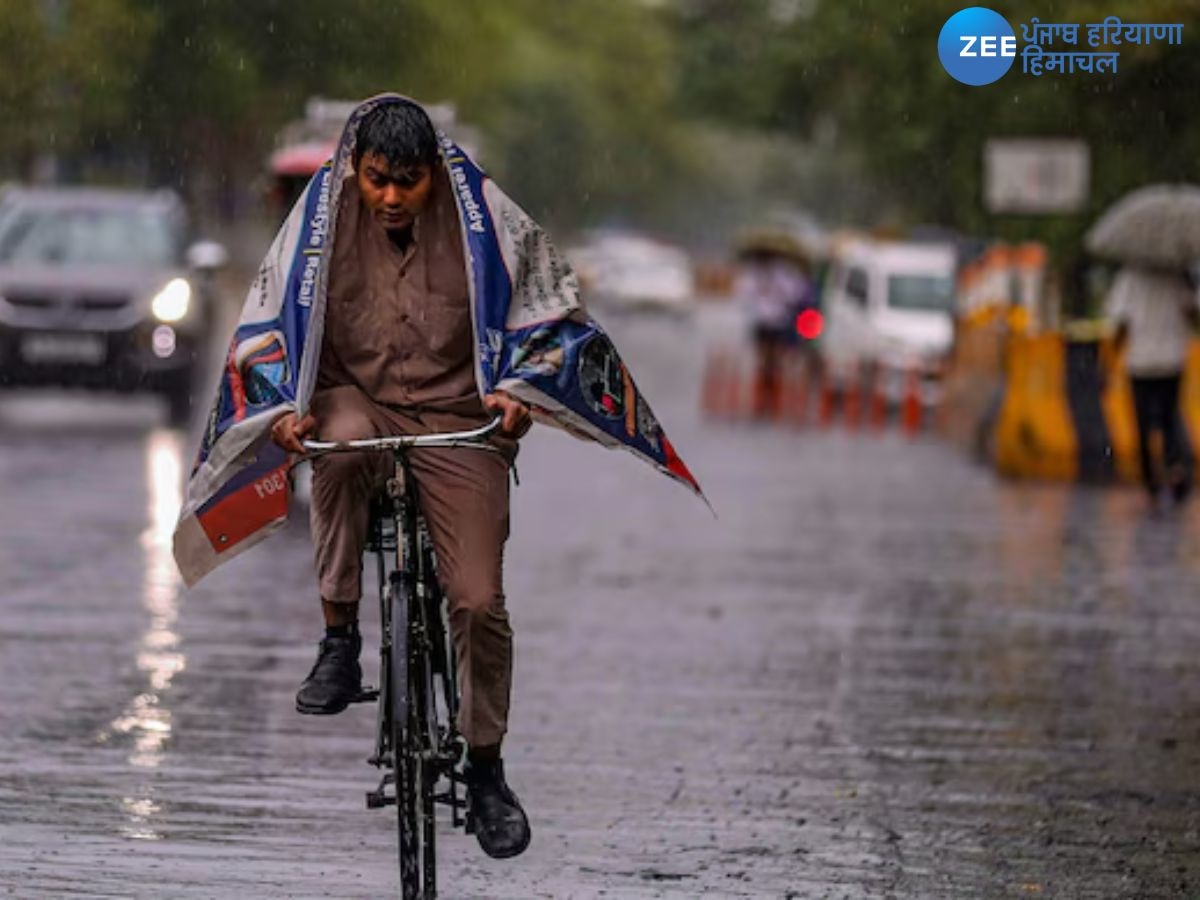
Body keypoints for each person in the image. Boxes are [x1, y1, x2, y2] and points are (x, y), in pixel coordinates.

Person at [269, 101, 533, 859]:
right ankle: (340, 638)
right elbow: (276, 330)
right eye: (377, 182)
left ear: (434, 180)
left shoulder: (488, 224)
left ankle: (485, 769)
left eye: (407, 184)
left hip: (461, 419)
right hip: (360, 404)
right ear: (357, 172)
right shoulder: (317, 229)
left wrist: (519, 398)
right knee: (337, 446)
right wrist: (288, 412)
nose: (389, 198)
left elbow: (543, 321)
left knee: (479, 601)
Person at [1105, 264, 1200, 507]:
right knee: (1169, 419)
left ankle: (1152, 481)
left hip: (1140, 361)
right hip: (1171, 358)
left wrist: (1110, 358)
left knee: (1143, 422)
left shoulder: (1129, 276)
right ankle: (1175, 468)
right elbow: (1193, 313)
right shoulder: (1177, 275)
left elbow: (1120, 322)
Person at [735, 239, 813, 419]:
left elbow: (796, 293)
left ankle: (773, 401)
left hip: (778, 321)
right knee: (764, 362)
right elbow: (742, 293)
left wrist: (778, 292)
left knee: (775, 362)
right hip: (762, 321)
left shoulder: (783, 271)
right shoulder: (754, 272)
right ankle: (761, 401)